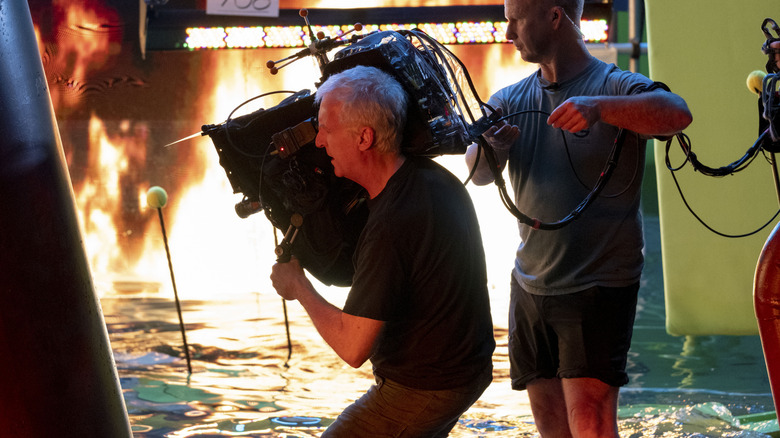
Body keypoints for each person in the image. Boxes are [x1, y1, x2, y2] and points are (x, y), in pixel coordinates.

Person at [465, 0, 693, 437]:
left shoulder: (614, 85)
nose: (507, 31)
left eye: (515, 19)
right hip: (530, 283)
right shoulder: (509, 99)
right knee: (550, 424)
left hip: (598, 283)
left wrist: (600, 109)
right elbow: (474, 174)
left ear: (554, 16)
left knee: (588, 421)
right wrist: (491, 149)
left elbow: (676, 113)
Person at [270, 65, 495, 437]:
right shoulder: (431, 179)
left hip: (428, 384)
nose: (320, 142)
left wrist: (299, 287)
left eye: (326, 128)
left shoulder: (393, 222)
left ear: (364, 138)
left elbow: (353, 346)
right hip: (464, 370)